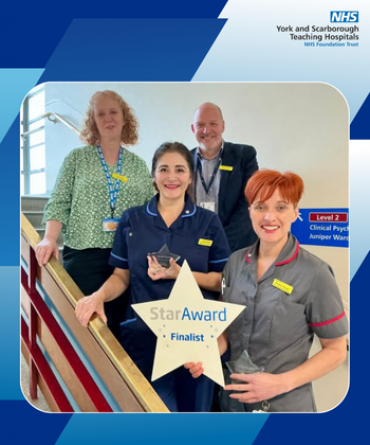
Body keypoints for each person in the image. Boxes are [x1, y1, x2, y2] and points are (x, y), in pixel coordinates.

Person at [75, 142, 231, 412]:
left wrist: (182, 274)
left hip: (195, 341)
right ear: (154, 176)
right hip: (144, 338)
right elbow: (121, 276)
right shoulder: (132, 219)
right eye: (164, 169)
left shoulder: (208, 222)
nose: (172, 177)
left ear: (190, 176)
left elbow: (223, 281)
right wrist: (98, 295)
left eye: (180, 169)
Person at [186, 169, 348, 412]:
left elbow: (336, 350)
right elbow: (231, 330)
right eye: (260, 207)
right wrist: (206, 353)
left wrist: (280, 383)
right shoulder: (235, 263)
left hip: (285, 407)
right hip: (233, 402)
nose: (269, 217)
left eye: (281, 207)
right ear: (249, 211)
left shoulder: (315, 273)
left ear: (295, 212)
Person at [35, 90, 153, 337]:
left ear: (124, 118)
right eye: (101, 114)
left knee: (117, 330)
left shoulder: (138, 165)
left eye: (113, 112)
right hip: (83, 255)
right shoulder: (77, 159)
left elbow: (147, 214)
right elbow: (59, 201)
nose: (108, 118)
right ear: (93, 121)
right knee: (84, 328)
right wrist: (49, 237)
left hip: (124, 260)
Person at [191, 102, 259, 253]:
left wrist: (219, 243)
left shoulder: (244, 155)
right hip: (194, 248)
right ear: (192, 129)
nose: (206, 130)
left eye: (213, 124)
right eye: (200, 124)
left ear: (223, 126)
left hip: (236, 248)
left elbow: (249, 202)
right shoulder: (183, 160)